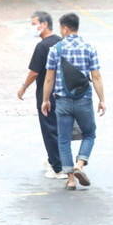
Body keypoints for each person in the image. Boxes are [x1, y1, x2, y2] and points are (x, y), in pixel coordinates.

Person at [41, 13, 106, 191]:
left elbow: (49, 79)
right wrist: (102, 100)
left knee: (63, 140)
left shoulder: (55, 49)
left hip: (62, 101)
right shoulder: (89, 48)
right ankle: (80, 164)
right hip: (84, 100)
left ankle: (70, 179)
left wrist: (45, 100)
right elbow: (96, 76)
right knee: (89, 134)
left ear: (64, 28)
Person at [18, 11, 63, 179]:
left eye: (34, 24)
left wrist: (23, 87)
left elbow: (34, 72)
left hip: (47, 96)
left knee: (49, 131)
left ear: (44, 24)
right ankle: (56, 159)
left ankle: (58, 167)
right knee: (61, 130)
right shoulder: (61, 42)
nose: (32, 28)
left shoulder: (42, 47)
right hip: (62, 93)